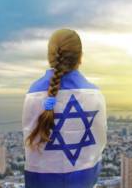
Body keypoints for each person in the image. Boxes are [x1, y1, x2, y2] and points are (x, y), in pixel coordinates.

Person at [22, 29, 107, 188]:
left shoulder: (34, 94)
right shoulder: (95, 95)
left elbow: (31, 147)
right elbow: (98, 144)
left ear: (50, 57)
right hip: (84, 180)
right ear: (80, 57)